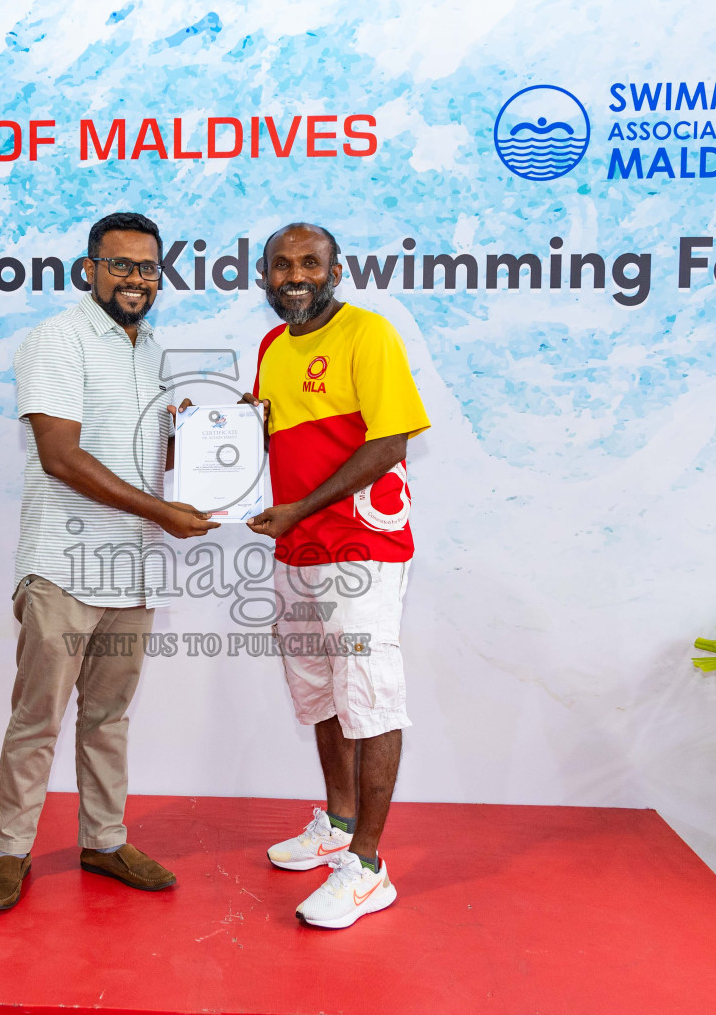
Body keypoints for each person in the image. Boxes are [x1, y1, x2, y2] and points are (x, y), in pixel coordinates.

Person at [0, 211, 219, 912]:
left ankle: (104, 839)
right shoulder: (57, 339)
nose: (135, 278)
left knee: (109, 716)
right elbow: (61, 458)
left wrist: (224, 438)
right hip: (63, 566)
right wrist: (163, 513)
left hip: (134, 569)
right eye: (120, 265)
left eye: (147, 267)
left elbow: (152, 456)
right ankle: (10, 851)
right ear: (89, 270)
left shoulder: (153, 349)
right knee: (38, 717)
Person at [245, 222, 430, 929]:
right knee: (320, 688)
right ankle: (338, 823)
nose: (296, 274)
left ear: (335, 269)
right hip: (298, 547)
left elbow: (388, 442)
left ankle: (369, 865)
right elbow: (266, 430)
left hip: (359, 546)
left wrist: (301, 507)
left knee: (369, 694)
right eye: (282, 264)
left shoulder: (368, 334)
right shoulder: (270, 347)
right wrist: (207, 434)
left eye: (310, 262)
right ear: (264, 276)